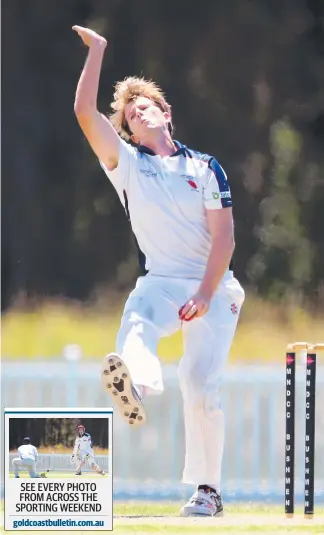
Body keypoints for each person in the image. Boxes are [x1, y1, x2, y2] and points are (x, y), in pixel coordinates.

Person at [72, 25, 245, 517]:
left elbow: (225, 239)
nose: (137, 113)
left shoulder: (206, 168)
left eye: (145, 106)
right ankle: (138, 383)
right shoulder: (125, 163)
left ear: (166, 114)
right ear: (127, 132)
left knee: (200, 383)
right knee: (138, 314)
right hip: (164, 279)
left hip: (215, 282)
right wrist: (99, 51)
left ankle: (207, 491)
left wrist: (208, 293)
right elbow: (85, 113)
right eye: (129, 115)